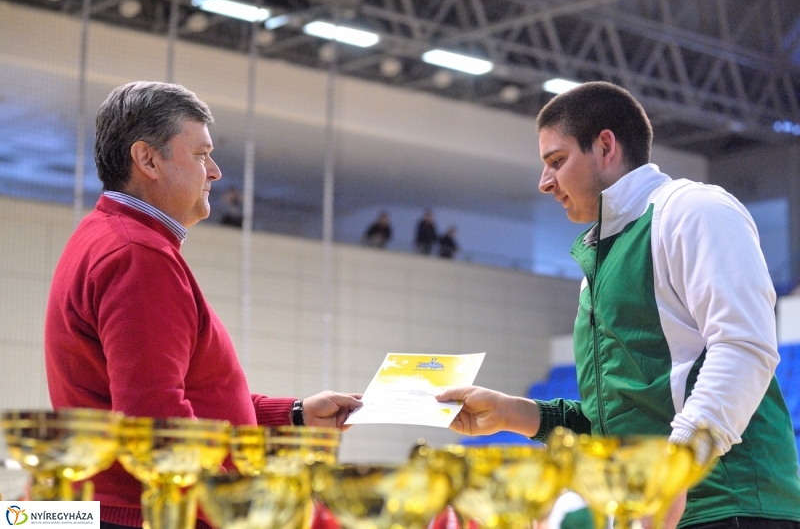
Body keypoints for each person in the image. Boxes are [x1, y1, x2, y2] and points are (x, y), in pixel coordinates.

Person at [436, 82, 800, 528]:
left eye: (556, 161)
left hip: (732, 507)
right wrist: (516, 413)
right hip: (651, 509)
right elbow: (613, 424)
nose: (544, 182)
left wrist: (673, 469)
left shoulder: (694, 209)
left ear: (605, 146)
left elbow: (745, 347)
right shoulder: (600, 259)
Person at [44, 82, 362, 529]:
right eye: (200, 154)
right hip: (148, 514)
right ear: (147, 159)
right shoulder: (137, 253)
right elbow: (159, 421)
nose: (213, 171)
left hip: (115, 509)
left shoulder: (110, 236)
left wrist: (292, 415)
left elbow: (186, 394)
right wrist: (242, 505)